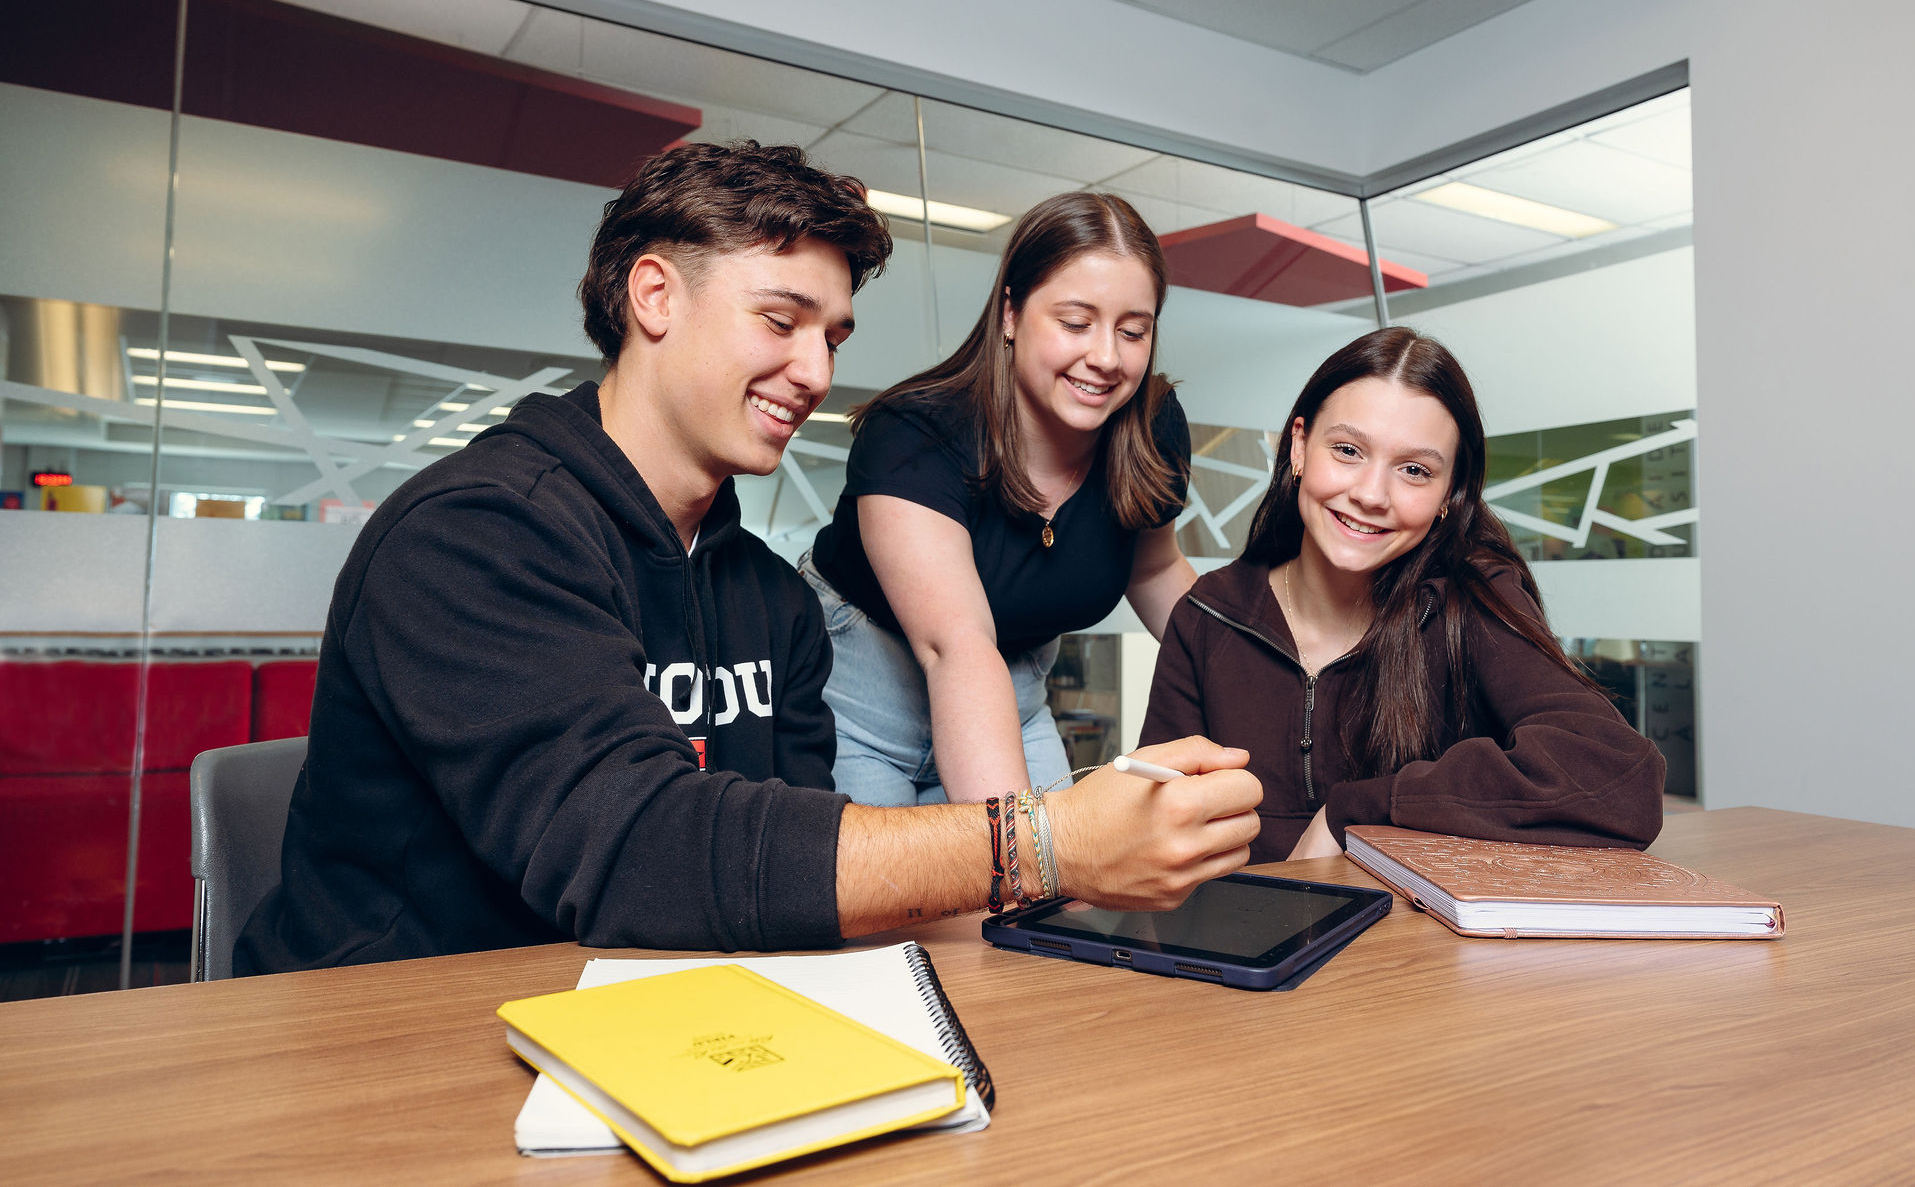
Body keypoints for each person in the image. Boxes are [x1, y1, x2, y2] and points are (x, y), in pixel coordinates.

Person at [236, 143, 1260, 974]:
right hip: (397, 1040)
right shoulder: (472, 538)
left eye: (833, 336)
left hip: (657, 1018)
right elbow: (645, 853)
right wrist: (1047, 843)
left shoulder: (771, 603)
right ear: (653, 296)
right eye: (779, 320)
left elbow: (785, 864)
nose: (814, 372)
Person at [1139, 327, 1664, 864]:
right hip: (1241, 938)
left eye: (1414, 470)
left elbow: (1616, 777)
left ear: (1448, 494)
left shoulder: (1470, 601)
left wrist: (1355, 813)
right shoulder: (1208, 614)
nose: (1370, 494)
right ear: (1299, 446)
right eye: (1347, 450)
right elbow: (1151, 833)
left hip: (1415, 945)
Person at [803, 193, 1196, 806]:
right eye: (1075, 323)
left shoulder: (1151, 425)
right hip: (859, 707)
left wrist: (1250, 679)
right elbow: (954, 646)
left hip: (1012, 702)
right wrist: (1016, 868)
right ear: (1010, 313)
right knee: (916, 895)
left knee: (1050, 898)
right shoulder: (916, 433)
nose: (1106, 357)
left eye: (1133, 331)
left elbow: (1156, 569)